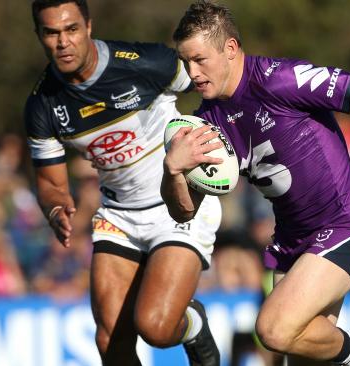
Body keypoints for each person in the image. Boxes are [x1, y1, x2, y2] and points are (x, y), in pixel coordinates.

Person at [162, 2, 350, 365]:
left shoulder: (278, 79)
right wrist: (173, 170)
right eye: (186, 62)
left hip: (345, 222)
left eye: (200, 59)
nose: (192, 73)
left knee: (273, 330)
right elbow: (184, 210)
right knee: (296, 349)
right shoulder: (205, 123)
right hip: (293, 240)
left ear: (230, 48)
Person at [24, 1, 221, 365]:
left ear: (88, 27)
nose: (63, 42)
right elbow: (50, 183)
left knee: (157, 328)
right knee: (110, 341)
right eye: (51, 33)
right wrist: (54, 207)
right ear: (39, 36)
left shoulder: (145, 63)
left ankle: (192, 324)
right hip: (118, 216)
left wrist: (217, 141)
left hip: (179, 206)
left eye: (71, 29)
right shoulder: (42, 106)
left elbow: (216, 87)